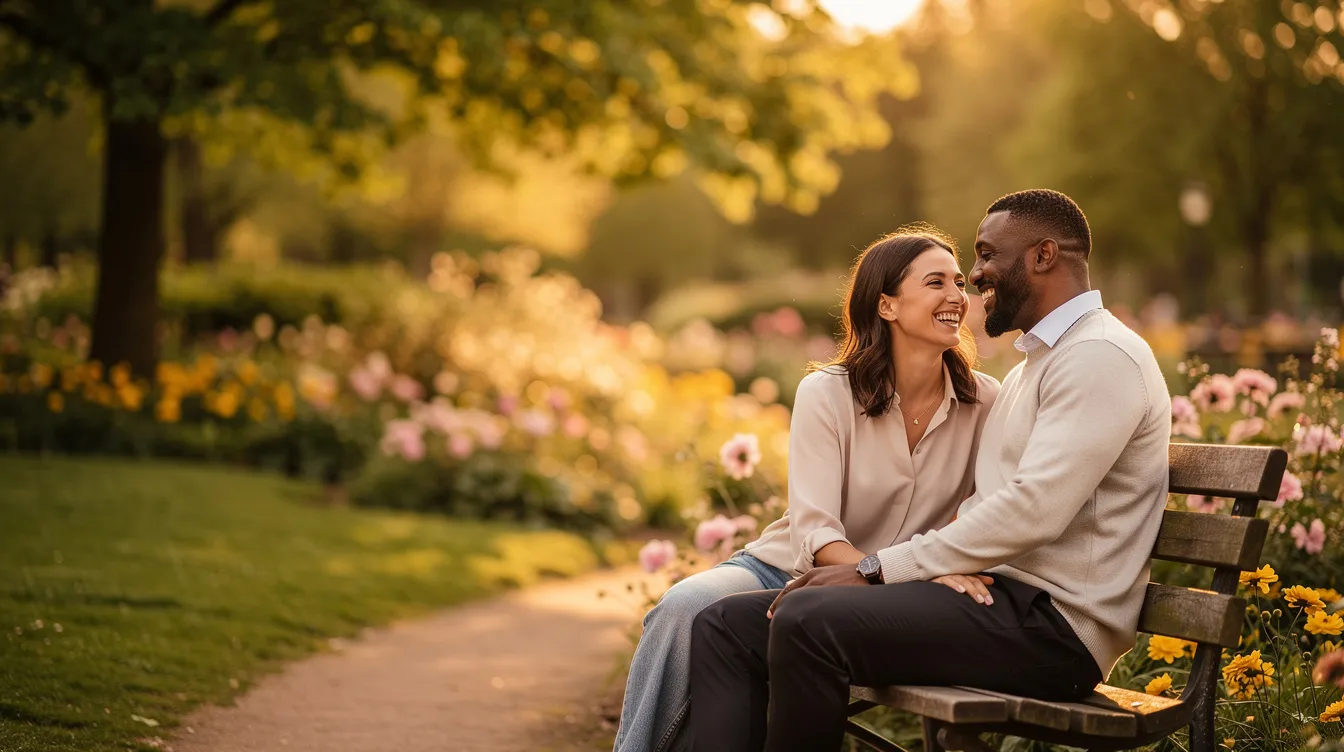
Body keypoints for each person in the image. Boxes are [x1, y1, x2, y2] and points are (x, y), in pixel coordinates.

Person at [687, 189, 1173, 752]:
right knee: (725, 627)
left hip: (1055, 628)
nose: (975, 275)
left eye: (987, 255)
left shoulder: (1099, 355)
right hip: (997, 600)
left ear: (1043, 256)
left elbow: (1034, 508)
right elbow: (988, 504)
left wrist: (877, 569)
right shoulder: (1033, 369)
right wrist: (928, 570)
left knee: (807, 620)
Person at [612, 228, 1002, 752]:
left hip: (898, 595)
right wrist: (891, 571)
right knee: (685, 606)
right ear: (886, 305)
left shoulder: (986, 402)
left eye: (959, 283)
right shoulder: (828, 392)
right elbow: (817, 533)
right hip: (787, 570)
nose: (957, 296)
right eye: (936, 283)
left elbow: (985, 512)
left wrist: (927, 571)